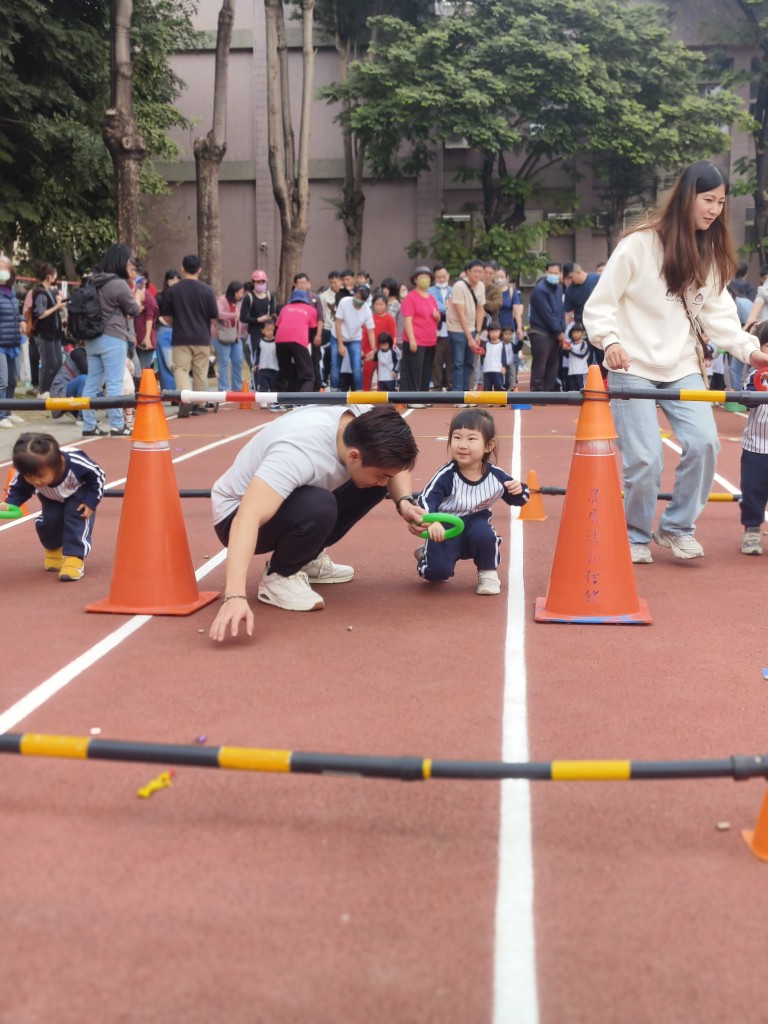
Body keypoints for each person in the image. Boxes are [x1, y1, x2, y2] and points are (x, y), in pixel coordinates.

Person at [583, 159, 768, 564]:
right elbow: (600, 305)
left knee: (704, 443)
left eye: (721, 202)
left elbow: (720, 319)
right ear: (687, 196)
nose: (714, 210)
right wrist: (610, 341)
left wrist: (750, 351)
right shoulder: (639, 244)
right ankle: (635, 534)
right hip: (630, 365)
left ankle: (677, 527)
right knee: (645, 458)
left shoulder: (710, 254)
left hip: (682, 364)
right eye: (708, 200)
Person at [208, 405, 422, 641]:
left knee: (373, 487)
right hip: (234, 516)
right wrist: (235, 596)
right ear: (354, 456)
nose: (384, 481)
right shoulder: (296, 452)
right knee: (320, 505)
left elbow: (394, 466)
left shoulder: (365, 419)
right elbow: (247, 517)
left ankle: (305, 557)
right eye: (382, 475)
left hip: (289, 497)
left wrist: (404, 501)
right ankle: (279, 576)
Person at [414, 409, 529, 595]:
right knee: (437, 574)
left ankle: (488, 573)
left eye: (471, 439)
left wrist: (519, 489)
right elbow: (426, 499)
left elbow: (521, 499)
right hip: (446, 527)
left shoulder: (496, 476)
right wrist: (432, 522)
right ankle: (426, 556)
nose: (462, 445)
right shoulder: (446, 476)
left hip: (476, 523)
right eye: (457, 438)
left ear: (489, 445)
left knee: (484, 534)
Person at [0, 432, 105, 581]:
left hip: (77, 493)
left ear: (57, 465)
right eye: (29, 477)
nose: (35, 482)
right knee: (50, 520)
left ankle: (74, 558)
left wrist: (90, 502)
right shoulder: (27, 470)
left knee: (76, 518)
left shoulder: (76, 463)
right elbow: (18, 488)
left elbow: (97, 476)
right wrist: (10, 504)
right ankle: (54, 549)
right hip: (50, 496)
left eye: (40, 476)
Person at [80, 243, 144, 438]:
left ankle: (89, 425)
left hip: (92, 338)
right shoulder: (118, 284)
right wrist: (138, 296)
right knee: (114, 382)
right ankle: (117, 425)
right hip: (113, 337)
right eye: (128, 261)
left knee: (92, 383)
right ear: (120, 261)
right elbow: (134, 310)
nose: (129, 265)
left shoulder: (93, 281)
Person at [159, 253, 218, 418]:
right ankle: (200, 404)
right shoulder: (207, 290)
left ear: (182, 269)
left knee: (181, 369)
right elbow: (213, 316)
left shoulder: (173, 290)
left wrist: (175, 324)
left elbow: (165, 314)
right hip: (202, 337)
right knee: (200, 371)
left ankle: (185, 399)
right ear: (199, 269)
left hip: (181, 337)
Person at [739, 323, 768, 555]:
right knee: (753, 490)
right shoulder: (754, 376)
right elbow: (747, 401)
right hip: (757, 447)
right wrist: (760, 386)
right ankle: (751, 528)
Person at [399, 266, 440, 401]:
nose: (425, 280)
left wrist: (436, 317)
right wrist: (412, 339)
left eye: (427, 277)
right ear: (415, 279)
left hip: (430, 341)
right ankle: (413, 398)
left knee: (426, 370)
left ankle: (423, 396)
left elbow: (435, 316)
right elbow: (407, 320)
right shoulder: (411, 297)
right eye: (422, 277)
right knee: (414, 370)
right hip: (416, 341)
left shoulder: (431, 298)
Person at [446, 259, 485, 391]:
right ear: (468, 271)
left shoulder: (481, 286)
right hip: (456, 329)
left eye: (480, 272)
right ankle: (457, 394)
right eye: (475, 271)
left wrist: (478, 333)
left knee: (469, 363)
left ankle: (465, 391)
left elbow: (480, 309)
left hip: (472, 328)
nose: (478, 274)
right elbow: (460, 314)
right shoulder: (459, 286)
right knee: (458, 362)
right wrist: (469, 338)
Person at [528, 263, 565, 391]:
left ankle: (548, 395)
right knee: (539, 368)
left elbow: (560, 311)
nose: (553, 275)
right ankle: (536, 395)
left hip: (554, 334)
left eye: (556, 273)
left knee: (552, 369)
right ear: (546, 272)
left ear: (560, 274)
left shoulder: (559, 289)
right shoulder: (540, 290)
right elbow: (546, 314)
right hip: (540, 332)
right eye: (550, 272)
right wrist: (559, 332)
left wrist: (562, 330)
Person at [31, 262, 66, 396]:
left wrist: (59, 306)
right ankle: (44, 391)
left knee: (57, 363)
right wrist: (56, 306)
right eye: (53, 275)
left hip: (53, 333)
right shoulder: (40, 292)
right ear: (49, 276)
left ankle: (54, 390)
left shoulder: (49, 291)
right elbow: (40, 314)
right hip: (44, 333)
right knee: (48, 363)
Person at [274, 288, 317, 393]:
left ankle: (280, 399)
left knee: (285, 373)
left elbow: (277, 328)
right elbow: (313, 331)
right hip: (298, 340)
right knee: (308, 376)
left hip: (280, 341)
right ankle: (302, 399)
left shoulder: (285, 308)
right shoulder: (311, 309)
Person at [0, 255, 25, 429]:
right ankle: (0, 414)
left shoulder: (11, 292)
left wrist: (21, 320)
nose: (2, 271)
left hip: (13, 342)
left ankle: (7, 411)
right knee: (1, 380)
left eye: (4, 268)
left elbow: (15, 312)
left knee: (12, 379)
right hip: (0, 343)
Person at [334, 284, 374, 391]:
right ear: (354, 294)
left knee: (356, 369)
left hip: (354, 339)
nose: (358, 300)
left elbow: (370, 331)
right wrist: (340, 344)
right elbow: (337, 323)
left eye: (361, 299)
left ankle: (358, 393)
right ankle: (334, 392)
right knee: (336, 369)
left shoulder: (366, 310)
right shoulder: (344, 302)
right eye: (357, 297)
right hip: (339, 337)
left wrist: (373, 349)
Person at [212, 280, 244, 392]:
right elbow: (218, 313)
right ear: (234, 292)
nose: (241, 295)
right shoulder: (221, 300)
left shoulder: (239, 303)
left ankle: (237, 388)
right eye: (240, 292)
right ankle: (223, 389)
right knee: (224, 361)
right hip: (221, 336)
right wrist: (233, 315)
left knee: (238, 361)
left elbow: (241, 318)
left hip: (236, 336)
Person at [154, 269, 179, 392]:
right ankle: (170, 391)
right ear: (167, 281)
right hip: (165, 332)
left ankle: (173, 391)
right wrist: (160, 319)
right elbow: (155, 314)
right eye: (172, 279)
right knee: (167, 363)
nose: (175, 282)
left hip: (177, 332)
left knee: (174, 363)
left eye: (177, 279)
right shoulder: (160, 296)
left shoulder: (181, 296)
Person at [428, 265, 452, 390]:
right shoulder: (429, 291)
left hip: (452, 330)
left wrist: (444, 310)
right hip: (436, 332)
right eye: (438, 277)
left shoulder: (454, 290)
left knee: (451, 361)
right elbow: (433, 307)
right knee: (436, 362)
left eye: (443, 276)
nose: (441, 279)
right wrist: (446, 308)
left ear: (448, 276)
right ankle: (437, 386)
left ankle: (451, 386)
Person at [50, 343, 87, 421]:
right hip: (60, 390)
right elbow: (86, 370)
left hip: (70, 389)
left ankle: (74, 411)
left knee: (101, 393)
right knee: (84, 379)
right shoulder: (78, 352)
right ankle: (83, 417)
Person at [369, 293, 396, 391]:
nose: (379, 307)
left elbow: (392, 336)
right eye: (376, 304)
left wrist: (386, 349)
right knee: (367, 375)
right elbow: (365, 334)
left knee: (384, 377)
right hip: (371, 351)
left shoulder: (389, 319)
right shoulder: (370, 318)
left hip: (385, 351)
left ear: (386, 305)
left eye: (381, 304)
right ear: (373, 305)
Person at [133, 272, 159, 373]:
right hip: (135, 338)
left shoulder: (148, 298)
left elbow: (149, 318)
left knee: (142, 371)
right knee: (135, 370)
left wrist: (147, 338)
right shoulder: (134, 294)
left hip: (145, 340)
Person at [255, 317, 278, 409]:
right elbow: (257, 354)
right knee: (263, 385)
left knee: (274, 386)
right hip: (263, 368)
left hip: (274, 368)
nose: (270, 332)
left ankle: (274, 401)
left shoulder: (276, 341)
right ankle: (263, 401)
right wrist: (256, 364)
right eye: (268, 330)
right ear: (262, 331)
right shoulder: (260, 342)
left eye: (272, 330)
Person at [479, 322, 507, 391]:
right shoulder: (486, 344)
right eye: (492, 332)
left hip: (498, 370)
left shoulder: (501, 344)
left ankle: (499, 398)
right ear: (488, 333)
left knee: (498, 387)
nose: (494, 333)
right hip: (487, 370)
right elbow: (482, 355)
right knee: (487, 388)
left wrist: (503, 366)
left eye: (496, 331)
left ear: (500, 332)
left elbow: (503, 357)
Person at [563, 321, 589, 391]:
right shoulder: (570, 344)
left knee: (583, 390)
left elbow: (582, 355)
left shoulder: (584, 344)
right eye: (574, 332)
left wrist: (570, 349)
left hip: (581, 371)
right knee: (573, 391)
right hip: (571, 372)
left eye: (578, 332)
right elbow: (567, 356)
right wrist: (564, 349)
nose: (576, 334)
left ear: (582, 333)